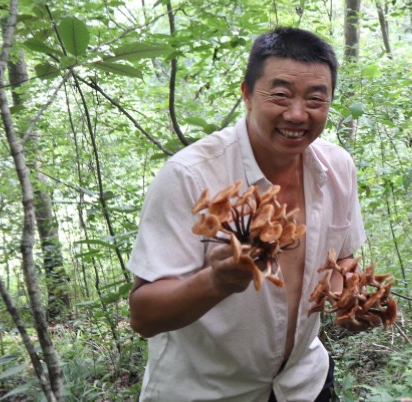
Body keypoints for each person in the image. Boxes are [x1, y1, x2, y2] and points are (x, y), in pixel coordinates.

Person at [128, 27, 365, 402]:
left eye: (316, 99)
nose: (298, 114)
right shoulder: (190, 176)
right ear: (247, 94)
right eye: (281, 95)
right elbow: (143, 316)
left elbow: (343, 260)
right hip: (207, 392)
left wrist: (350, 301)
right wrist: (217, 281)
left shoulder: (337, 167)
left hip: (304, 383)